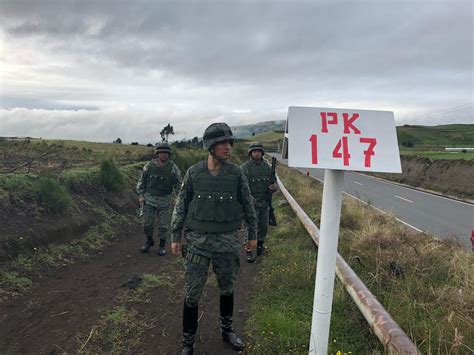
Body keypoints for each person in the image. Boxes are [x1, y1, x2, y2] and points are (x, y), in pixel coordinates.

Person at [171, 123, 258, 354]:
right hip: (197, 244)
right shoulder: (193, 173)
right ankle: (188, 342)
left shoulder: (237, 174)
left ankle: (227, 331)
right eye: (222, 143)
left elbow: (249, 206)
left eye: (230, 142)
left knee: (227, 288)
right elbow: (181, 205)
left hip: (227, 243)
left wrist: (252, 235)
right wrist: (175, 236)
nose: (228, 147)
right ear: (210, 146)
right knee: (192, 293)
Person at [136, 142, 181, 255]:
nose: (164, 155)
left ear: (168, 154)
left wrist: (178, 197)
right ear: (157, 154)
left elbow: (178, 184)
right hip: (149, 199)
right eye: (161, 152)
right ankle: (149, 240)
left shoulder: (173, 168)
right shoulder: (149, 166)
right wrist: (141, 195)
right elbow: (142, 182)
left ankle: (162, 245)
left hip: (164, 200)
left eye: (166, 153)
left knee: (163, 225)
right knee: (146, 224)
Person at [241, 142, 278, 262]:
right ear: (250, 153)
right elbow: (242, 187)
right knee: (251, 227)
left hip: (265, 202)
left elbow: (273, 182)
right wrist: (250, 200)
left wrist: (273, 187)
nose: (257, 153)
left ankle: (260, 246)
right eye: (254, 151)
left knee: (263, 226)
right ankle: (249, 250)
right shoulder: (245, 168)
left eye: (259, 151)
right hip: (251, 203)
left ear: (262, 153)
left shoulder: (267, 167)